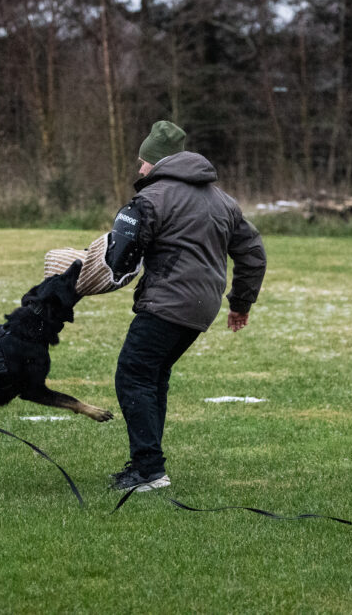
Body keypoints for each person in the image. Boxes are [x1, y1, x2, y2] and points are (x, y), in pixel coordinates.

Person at [103, 120, 267, 492]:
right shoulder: (223, 201)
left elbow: (121, 259)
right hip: (201, 307)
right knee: (152, 376)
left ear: (157, 162)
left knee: (133, 374)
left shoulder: (151, 198)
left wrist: (104, 261)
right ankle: (148, 464)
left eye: (143, 162)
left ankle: (148, 470)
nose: (139, 168)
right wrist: (240, 303)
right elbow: (254, 254)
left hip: (168, 300)